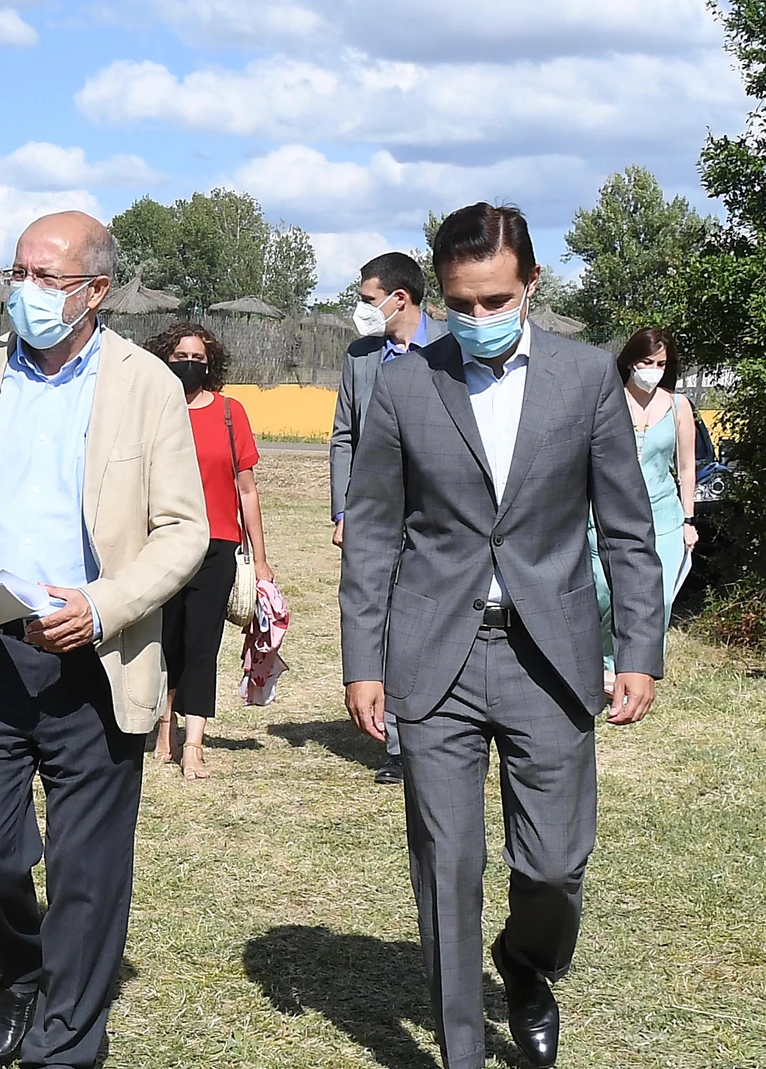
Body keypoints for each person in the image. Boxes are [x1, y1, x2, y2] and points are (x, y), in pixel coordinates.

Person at [340, 202, 664, 1069]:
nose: (478, 319)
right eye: (460, 304)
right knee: (448, 868)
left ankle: (526, 962)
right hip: (434, 654)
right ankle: (461, 1051)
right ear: (437, 297)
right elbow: (373, 529)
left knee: (555, 864)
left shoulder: (588, 377)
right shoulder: (407, 380)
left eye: (494, 300)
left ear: (530, 285)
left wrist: (637, 647)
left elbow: (627, 529)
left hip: (550, 655)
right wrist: (360, 661)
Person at [0, 211, 207, 1069]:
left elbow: (184, 529)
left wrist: (105, 605)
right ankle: (23, 964)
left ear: (96, 291)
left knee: (88, 870)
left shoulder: (148, 387)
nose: (24, 292)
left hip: (96, 659)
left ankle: (66, 1042)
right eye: (17, 272)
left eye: (47, 277)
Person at [147, 323, 273, 780]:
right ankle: (165, 726)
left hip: (218, 544)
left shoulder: (228, 412)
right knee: (167, 641)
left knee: (202, 645)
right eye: (181, 355)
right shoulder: (152, 411)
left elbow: (247, 490)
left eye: (199, 358)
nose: (190, 364)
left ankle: (194, 742)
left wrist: (260, 559)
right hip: (160, 544)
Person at [330, 251, 434, 785]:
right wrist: (346, 510)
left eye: (368, 300)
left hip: (434, 515)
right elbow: (344, 435)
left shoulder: (449, 348)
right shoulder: (360, 356)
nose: (360, 310)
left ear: (400, 298)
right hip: (374, 515)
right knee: (380, 619)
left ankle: (434, 729)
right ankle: (397, 743)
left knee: (424, 620)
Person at [590, 327, 697, 672]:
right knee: (606, 596)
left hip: (664, 518)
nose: (653, 369)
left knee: (658, 600)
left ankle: (639, 670)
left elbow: (685, 468)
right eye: (646, 361)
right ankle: (606, 666)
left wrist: (689, 520)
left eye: (661, 363)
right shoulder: (606, 400)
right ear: (631, 362)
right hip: (608, 518)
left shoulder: (679, 406)